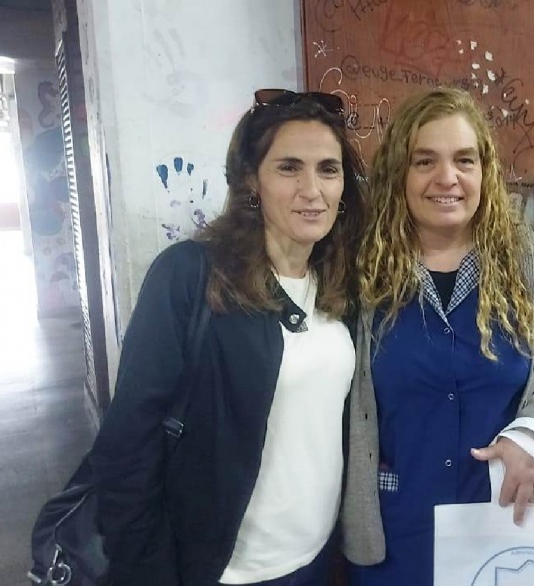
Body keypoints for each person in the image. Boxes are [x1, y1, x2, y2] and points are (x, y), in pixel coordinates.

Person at [88, 89, 367, 585]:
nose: (312, 189)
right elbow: (126, 444)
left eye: (328, 169)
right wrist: (148, 570)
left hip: (318, 559)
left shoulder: (340, 284)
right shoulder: (191, 275)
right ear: (250, 180)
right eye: (289, 168)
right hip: (227, 571)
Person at [340, 87, 534, 585]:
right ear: (399, 173)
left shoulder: (527, 259)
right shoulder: (362, 269)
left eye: (464, 160)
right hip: (397, 533)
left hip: (507, 523)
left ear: (485, 171)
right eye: (424, 161)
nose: (447, 178)